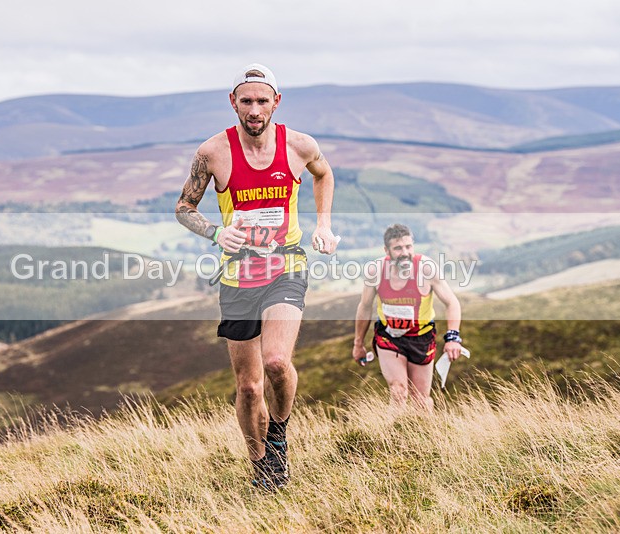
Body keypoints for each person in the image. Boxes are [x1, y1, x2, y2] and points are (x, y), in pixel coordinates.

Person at [175, 63, 337, 490]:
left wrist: (323, 225)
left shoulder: (300, 146)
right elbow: (183, 208)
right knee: (248, 388)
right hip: (238, 275)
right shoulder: (212, 153)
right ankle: (262, 465)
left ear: (276, 102)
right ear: (233, 102)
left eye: (262, 100)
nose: (254, 109)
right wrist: (215, 231)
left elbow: (324, 174)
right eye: (246, 100)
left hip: (286, 265)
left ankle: (279, 435)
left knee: (277, 364)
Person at [352, 224, 463, 412]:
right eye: (398, 248)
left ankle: (425, 437)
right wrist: (358, 343)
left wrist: (453, 337)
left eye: (408, 247)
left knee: (421, 400)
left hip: (422, 338)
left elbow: (452, 302)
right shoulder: (376, 271)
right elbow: (364, 307)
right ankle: (393, 439)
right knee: (398, 391)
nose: (405, 253)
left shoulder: (426, 269)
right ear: (386, 250)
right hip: (389, 337)